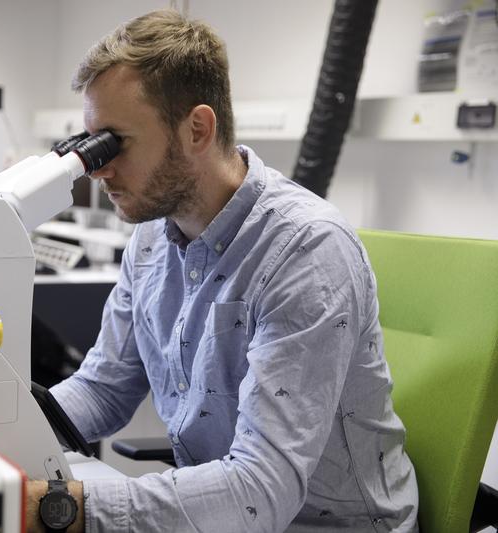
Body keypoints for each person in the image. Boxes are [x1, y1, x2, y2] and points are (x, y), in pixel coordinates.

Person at [25, 9, 419, 533]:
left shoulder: (306, 251)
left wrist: (60, 508)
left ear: (197, 129)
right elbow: (103, 387)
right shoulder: (149, 239)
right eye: (89, 143)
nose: (97, 169)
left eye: (113, 143)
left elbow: (260, 489)